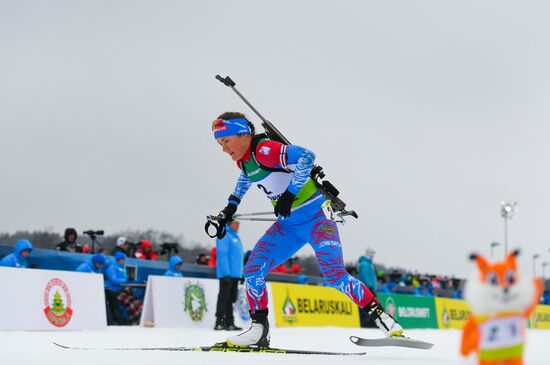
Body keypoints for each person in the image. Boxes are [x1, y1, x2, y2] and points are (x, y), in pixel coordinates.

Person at [209, 113, 404, 347]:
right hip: (288, 226)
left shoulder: (265, 150)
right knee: (252, 269)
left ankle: (384, 319)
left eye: (226, 141)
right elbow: (245, 179)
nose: (223, 149)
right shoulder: (244, 160)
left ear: (243, 135)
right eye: (220, 144)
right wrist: (229, 209)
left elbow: (306, 157)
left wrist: (290, 194)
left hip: (317, 220)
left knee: (334, 274)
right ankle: (259, 328)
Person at [214, 220, 244, 331]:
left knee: (231, 298)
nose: (238, 225)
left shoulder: (235, 237)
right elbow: (222, 254)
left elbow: (238, 257)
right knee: (223, 297)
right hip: (227, 273)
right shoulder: (224, 234)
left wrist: (241, 274)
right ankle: (219, 321)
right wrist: (225, 272)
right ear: (230, 224)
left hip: (235, 274)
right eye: (236, 223)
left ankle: (229, 322)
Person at [105, 252, 142, 325]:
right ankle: (133, 320)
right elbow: (113, 280)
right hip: (113, 292)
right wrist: (126, 281)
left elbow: (125, 278)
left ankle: (136, 320)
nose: (123, 261)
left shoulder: (123, 268)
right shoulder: (111, 268)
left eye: (124, 259)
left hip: (122, 291)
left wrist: (129, 280)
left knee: (137, 302)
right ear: (118, 259)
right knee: (132, 302)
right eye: (122, 259)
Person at [358, 247, 378, 327]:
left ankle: (371, 323)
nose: (373, 256)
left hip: (370, 288)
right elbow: (364, 276)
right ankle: (366, 324)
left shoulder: (369, 264)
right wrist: (370, 287)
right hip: (367, 289)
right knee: (367, 306)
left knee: (372, 306)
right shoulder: (364, 264)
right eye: (372, 254)